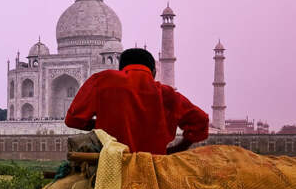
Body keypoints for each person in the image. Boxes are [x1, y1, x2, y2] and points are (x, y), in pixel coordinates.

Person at [65, 48, 209, 154]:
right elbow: (201, 121)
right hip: (153, 168)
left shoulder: (102, 80)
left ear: (120, 69)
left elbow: (72, 120)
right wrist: (177, 148)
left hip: (111, 167)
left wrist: (102, 124)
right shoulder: (167, 94)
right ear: (154, 72)